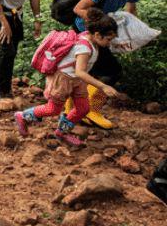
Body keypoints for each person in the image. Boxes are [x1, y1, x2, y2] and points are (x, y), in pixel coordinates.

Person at [15, 8, 119, 146]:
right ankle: (23, 116)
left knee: (83, 108)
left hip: (77, 81)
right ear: (98, 35)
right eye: (109, 39)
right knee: (53, 109)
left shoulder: (92, 39)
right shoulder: (84, 48)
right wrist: (103, 86)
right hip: (64, 79)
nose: (110, 43)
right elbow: (80, 72)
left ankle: (61, 133)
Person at [69, 0, 154, 128]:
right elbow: (78, 9)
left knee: (92, 71)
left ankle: (74, 110)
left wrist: (141, 33)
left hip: (102, 33)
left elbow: (131, 10)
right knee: (112, 71)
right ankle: (91, 111)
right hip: (87, 33)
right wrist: (101, 22)